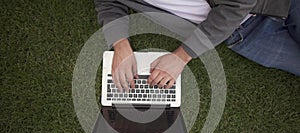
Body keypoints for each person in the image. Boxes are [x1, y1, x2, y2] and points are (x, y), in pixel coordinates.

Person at [94, 0, 299, 92]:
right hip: (242, 36)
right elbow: (108, 3)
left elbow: (240, 3)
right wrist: (120, 44)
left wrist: (182, 56)